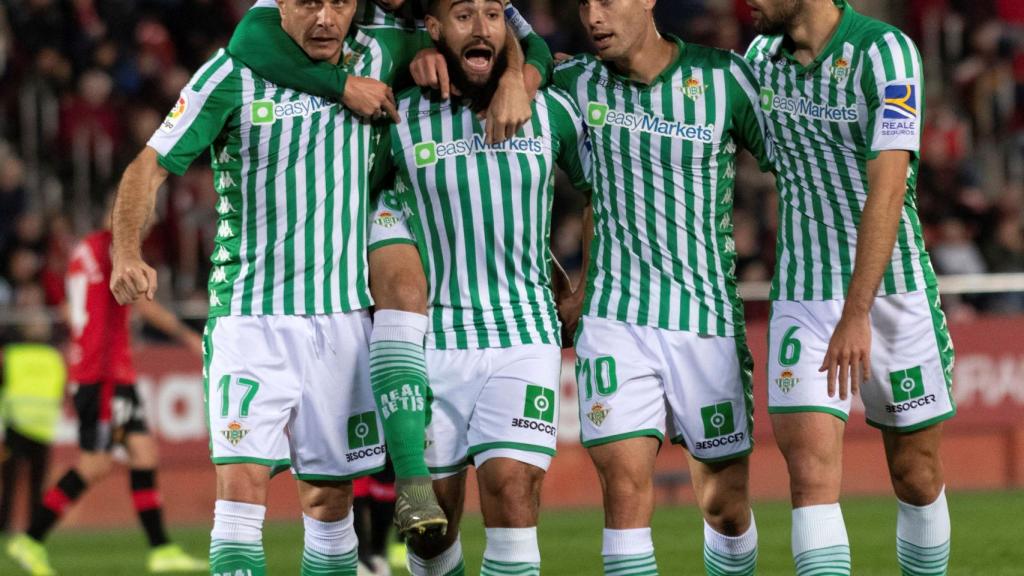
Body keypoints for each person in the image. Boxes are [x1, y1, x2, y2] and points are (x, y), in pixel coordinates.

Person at [224, 0, 553, 538]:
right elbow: (249, 40)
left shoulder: (453, 13)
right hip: (363, 174)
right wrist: (342, 85)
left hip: (424, 148)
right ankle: (411, 480)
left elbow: (528, 41)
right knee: (401, 288)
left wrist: (519, 79)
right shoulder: (328, 6)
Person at [107, 0, 406, 573]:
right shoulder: (231, 74)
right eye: (308, 3)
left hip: (343, 318)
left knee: (330, 501)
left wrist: (525, 67)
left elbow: (463, 31)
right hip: (251, 318)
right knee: (242, 493)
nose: (325, 18)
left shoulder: (374, 55)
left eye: (340, 2)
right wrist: (126, 251)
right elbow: (148, 165)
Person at [362, 0, 591, 572]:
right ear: (435, 30)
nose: (481, 28)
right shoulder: (399, 116)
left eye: (492, 13)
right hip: (432, 344)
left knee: (513, 492)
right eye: (463, 16)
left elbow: (602, 193)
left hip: (523, 335)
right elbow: (352, 198)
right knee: (431, 534)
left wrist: (588, 280)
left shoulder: (550, 109)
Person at [554, 0, 773, 574]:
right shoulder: (574, 82)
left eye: (606, 2)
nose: (593, 17)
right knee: (625, 495)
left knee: (725, 508)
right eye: (584, 4)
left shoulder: (725, 78)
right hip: (614, 319)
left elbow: (794, 165)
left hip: (705, 321)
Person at [745, 1, 954, 574]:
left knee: (915, 473)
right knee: (810, 477)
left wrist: (858, 310)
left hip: (892, 292)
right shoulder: (759, 58)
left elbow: (888, 189)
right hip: (805, 293)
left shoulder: (886, 53)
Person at [5, 209, 206, 575]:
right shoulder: (115, 249)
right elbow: (141, 304)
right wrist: (188, 335)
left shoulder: (84, 249)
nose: (147, 227)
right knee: (95, 463)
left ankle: (161, 549)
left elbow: (73, 306)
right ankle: (31, 538)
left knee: (143, 452)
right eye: (144, 217)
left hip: (105, 371)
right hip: (103, 374)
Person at [0, 289, 64, 536]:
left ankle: (17, 529)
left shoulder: (11, 355)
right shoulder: (52, 356)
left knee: (15, 482)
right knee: (29, 484)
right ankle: (31, 531)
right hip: (33, 426)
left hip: (22, 426)